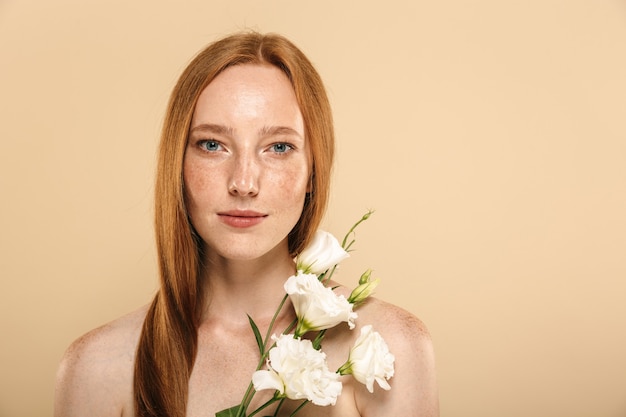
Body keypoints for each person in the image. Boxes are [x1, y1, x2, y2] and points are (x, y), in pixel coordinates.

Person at [54, 31, 439, 417]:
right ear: (178, 166)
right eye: (212, 144)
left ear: (313, 175)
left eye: (279, 147)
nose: (243, 183)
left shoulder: (386, 349)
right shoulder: (96, 370)